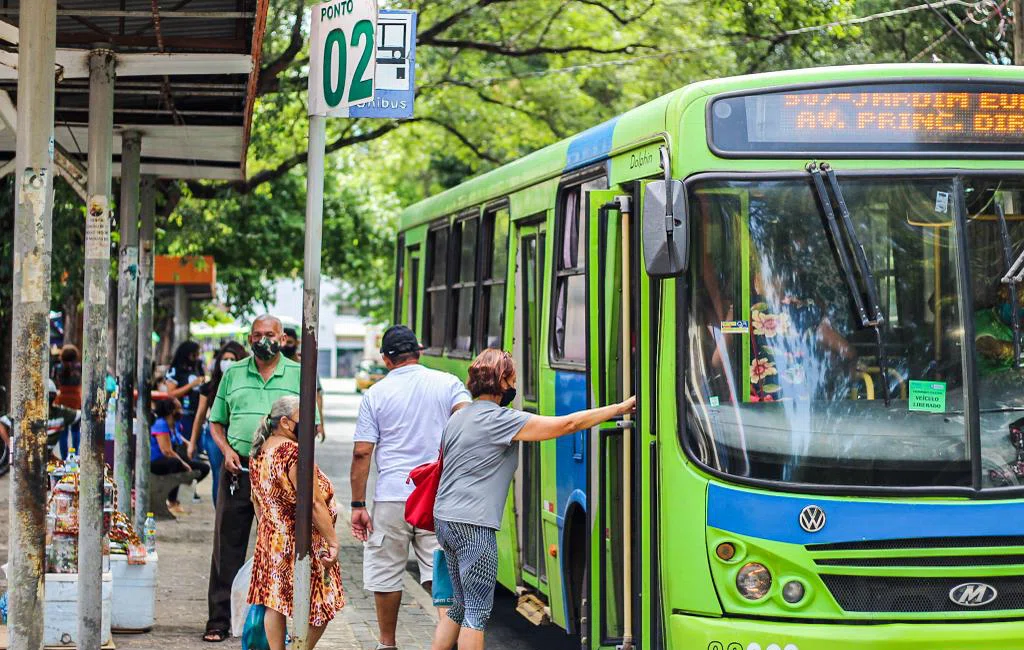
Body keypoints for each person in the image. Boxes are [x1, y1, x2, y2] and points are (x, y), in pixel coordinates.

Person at [430, 349, 634, 650]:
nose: (515, 386)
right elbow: (567, 425)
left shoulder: (458, 418)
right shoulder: (500, 420)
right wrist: (619, 407)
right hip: (473, 525)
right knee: (477, 611)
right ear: (502, 383)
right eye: (512, 379)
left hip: (444, 519)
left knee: (461, 605)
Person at [350, 325, 471, 650]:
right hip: (437, 495)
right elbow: (467, 421)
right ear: (418, 350)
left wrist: (358, 505)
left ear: (386, 359)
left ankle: (387, 644)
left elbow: (362, 452)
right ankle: (445, 643)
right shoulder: (448, 383)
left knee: (386, 571)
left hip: (392, 497)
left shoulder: (375, 394)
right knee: (440, 572)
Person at [204, 315, 313, 643]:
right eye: (258, 335)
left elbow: (310, 427)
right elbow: (216, 422)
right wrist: (225, 451)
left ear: (282, 339)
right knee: (227, 545)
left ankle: (277, 624)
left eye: (270, 334)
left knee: (281, 547)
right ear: (249, 338)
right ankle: (219, 621)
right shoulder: (234, 373)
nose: (264, 340)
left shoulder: (298, 374)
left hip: (281, 476)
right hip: (239, 471)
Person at [247, 396, 343, 650]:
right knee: (323, 601)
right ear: (286, 422)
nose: (311, 427)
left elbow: (257, 501)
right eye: (306, 421)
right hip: (300, 541)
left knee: (274, 602)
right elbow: (313, 503)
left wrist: (269, 529)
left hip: (270, 538)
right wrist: (333, 540)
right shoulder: (292, 452)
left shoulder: (260, 449)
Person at [189, 341, 248, 505]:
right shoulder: (210, 387)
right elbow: (200, 415)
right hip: (215, 434)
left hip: (238, 433)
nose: (228, 363)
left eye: (232, 359)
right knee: (219, 474)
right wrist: (192, 442)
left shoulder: (246, 385)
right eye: (225, 359)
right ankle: (219, 513)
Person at [150, 397, 211, 512]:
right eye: (179, 408)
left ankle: (179, 492)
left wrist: (189, 444)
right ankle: (172, 501)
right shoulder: (160, 424)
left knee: (203, 468)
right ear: (171, 411)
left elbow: (178, 437)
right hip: (155, 461)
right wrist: (183, 464)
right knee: (176, 463)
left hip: (170, 460)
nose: (181, 411)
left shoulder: (175, 424)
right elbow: (166, 451)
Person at [282, 326, 325, 441]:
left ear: (297, 342)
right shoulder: (273, 367)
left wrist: (320, 423)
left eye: (290, 342)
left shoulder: (306, 366)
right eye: (284, 342)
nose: (286, 345)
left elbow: (317, 396)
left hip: (300, 423)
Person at [976, 284, 1024, 375]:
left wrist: (1003, 349)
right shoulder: (980, 320)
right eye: (1014, 303)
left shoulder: (1020, 333)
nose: (1018, 310)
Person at [163, 341, 206, 441]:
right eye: (194, 354)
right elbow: (171, 393)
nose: (196, 357)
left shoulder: (197, 367)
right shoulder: (175, 370)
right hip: (183, 415)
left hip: (197, 414)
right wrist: (191, 385)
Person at [52, 344, 82, 458]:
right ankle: (75, 455)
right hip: (76, 399)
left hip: (62, 399)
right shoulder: (79, 367)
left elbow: (54, 383)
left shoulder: (57, 368)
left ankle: (64, 458)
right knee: (75, 428)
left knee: (62, 430)